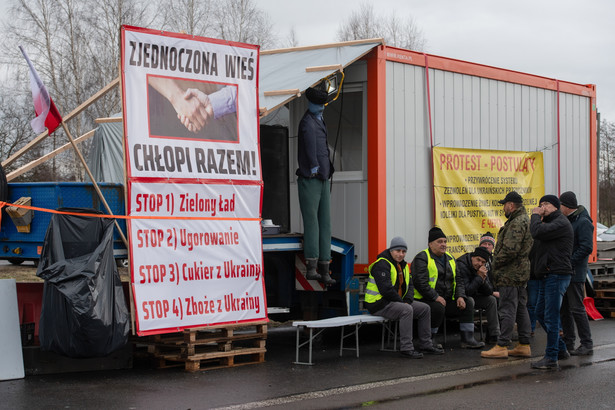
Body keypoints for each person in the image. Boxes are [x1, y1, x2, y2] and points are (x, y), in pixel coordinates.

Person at [365, 237, 444, 358]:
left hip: (396, 301)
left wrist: (407, 301)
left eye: (403, 251)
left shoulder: (404, 266)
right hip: (378, 303)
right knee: (406, 310)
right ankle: (407, 348)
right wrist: (403, 303)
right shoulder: (382, 264)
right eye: (398, 251)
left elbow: (410, 286)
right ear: (391, 250)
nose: (401, 254)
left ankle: (426, 344)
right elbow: (386, 290)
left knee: (425, 309)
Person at [411, 227, 485, 349]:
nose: (443, 244)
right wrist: (435, 297)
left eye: (445, 241)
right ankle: (429, 339)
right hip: (425, 299)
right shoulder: (422, 258)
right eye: (439, 242)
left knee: (469, 302)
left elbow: (458, 280)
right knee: (438, 307)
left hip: (446, 299)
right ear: (430, 244)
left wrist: (460, 296)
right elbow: (420, 283)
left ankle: (467, 339)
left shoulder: (450, 258)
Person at [481, 191, 533, 359]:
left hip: (510, 273)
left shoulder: (517, 223)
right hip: (520, 273)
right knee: (520, 309)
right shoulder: (525, 220)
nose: (504, 208)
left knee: (508, 309)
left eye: (505, 205)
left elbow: (510, 250)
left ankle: (502, 345)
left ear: (511, 205)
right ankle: (524, 344)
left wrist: (493, 264)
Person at [296, 84, 335, 285]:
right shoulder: (308, 123)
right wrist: (313, 166)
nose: (322, 107)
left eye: (323, 104)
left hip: (321, 177)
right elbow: (311, 148)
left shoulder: (317, 120)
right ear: (312, 103)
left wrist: (328, 167)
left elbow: (322, 148)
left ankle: (324, 267)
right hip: (311, 178)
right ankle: (313, 267)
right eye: (319, 104)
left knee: (324, 223)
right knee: (313, 223)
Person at [530, 194, 574, 370]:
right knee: (540, 313)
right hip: (547, 275)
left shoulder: (560, 223)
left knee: (551, 316)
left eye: (546, 204)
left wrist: (534, 215)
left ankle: (551, 357)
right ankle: (561, 349)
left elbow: (536, 231)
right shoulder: (548, 224)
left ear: (556, 206)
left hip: (557, 274)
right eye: (540, 204)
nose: (542, 207)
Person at [559, 191, 594, 355]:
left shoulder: (583, 221)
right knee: (564, 308)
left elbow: (586, 247)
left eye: (560, 205)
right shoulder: (570, 220)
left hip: (575, 273)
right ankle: (569, 341)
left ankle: (586, 343)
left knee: (576, 308)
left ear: (566, 206)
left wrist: (569, 261)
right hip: (566, 272)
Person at [456, 246, 500, 344]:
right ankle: (469, 338)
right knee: (470, 300)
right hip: (462, 297)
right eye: (478, 260)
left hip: (475, 295)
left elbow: (489, 291)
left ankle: (494, 334)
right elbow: (466, 291)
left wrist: (483, 280)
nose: (479, 264)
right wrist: (479, 278)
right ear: (472, 257)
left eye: (483, 262)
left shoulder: (481, 268)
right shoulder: (462, 264)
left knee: (491, 300)